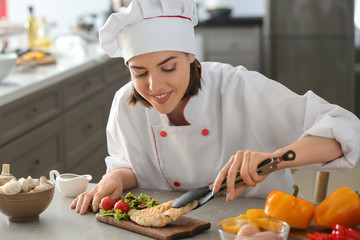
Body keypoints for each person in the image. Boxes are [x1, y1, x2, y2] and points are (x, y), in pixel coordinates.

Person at [71, 0, 360, 216]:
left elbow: (345, 127)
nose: (154, 86)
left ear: (190, 57)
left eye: (168, 68)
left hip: (254, 225)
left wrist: (273, 160)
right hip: (168, 228)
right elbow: (130, 163)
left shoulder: (239, 88)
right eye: (139, 73)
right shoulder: (126, 103)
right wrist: (115, 177)